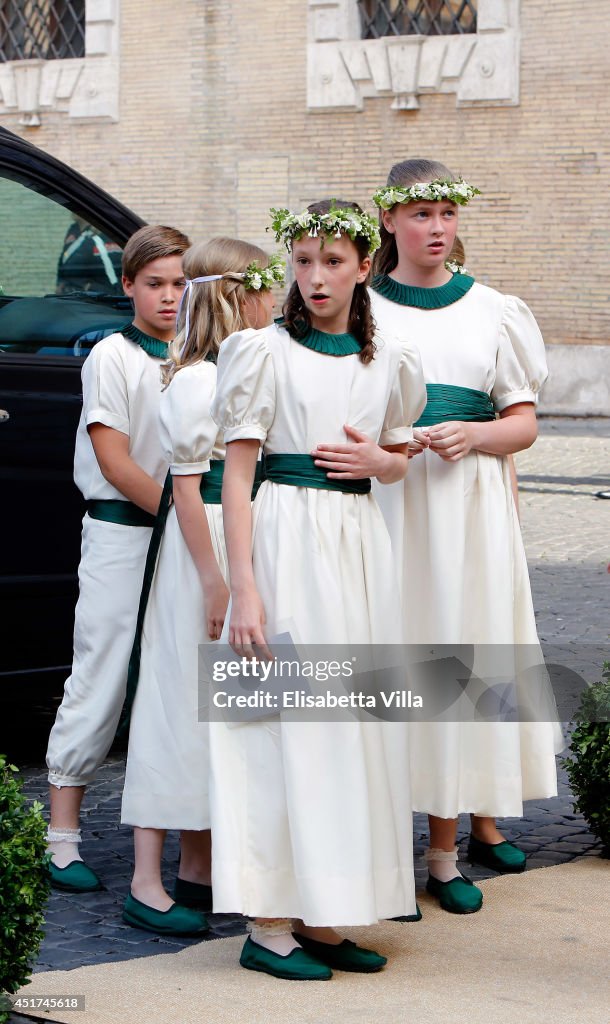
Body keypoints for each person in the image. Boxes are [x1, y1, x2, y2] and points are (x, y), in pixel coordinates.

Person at [209, 200, 426, 980]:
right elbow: (236, 478)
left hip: (360, 550)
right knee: (279, 728)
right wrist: (246, 591)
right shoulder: (261, 353)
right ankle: (267, 925)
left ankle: (327, 915)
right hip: (285, 545)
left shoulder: (388, 359)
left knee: (352, 731)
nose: (315, 277)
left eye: (333, 261)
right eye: (302, 261)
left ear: (365, 266)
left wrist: (385, 465)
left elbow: (402, 454)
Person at [355, 159, 561, 913]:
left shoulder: (495, 310)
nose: (436, 228)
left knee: (461, 655)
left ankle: (446, 853)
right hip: (390, 504)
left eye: (446, 213)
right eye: (420, 215)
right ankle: (376, 846)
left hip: (467, 508)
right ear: (388, 221)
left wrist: (474, 435)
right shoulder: (362, 307)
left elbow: (524, 423)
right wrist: (388, 448)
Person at [119, 238, 282, 935]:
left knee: (235, 703)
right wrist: (216, 581)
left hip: (240, 531)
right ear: (235, 297)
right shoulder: (193, 380)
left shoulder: (243, 370)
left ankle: (205, 868)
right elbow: (186, 488)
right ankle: (146, 878)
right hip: (201, 548)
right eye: (266, 290)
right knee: (181, 698)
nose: (275, 303)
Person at [45, 224, 190, 893]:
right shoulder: (112, 357)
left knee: (173, 679)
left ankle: (185, 836)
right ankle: (61, 836)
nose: (168, 296)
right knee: (100, 669)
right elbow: (113, 457)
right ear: (128, 283)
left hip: (179, 540)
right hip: (122, 533)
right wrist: (182, 514)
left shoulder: (196, 356)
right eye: (154, 283)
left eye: (179, 283)